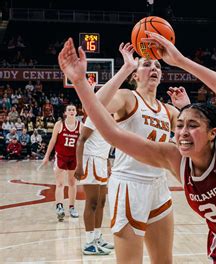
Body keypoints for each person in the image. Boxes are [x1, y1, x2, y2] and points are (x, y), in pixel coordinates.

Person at [59, 34, 216, 263]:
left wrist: (180, 63)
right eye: (180, 126)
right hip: (140, 187)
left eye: (192, 125)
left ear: (212, 133)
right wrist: (80, 82)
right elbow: (112, 133)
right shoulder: (168, 151)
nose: (182, 132)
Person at [78, 42, 183, 263]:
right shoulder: (128, 98)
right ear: (136, 75)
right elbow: (95, 106)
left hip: (159, 185)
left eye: (157, 66)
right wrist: (125, 68)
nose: (154, 68)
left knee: (165, 260)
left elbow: (192, 139)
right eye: (146, 65)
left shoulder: (169, 111)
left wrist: (184, 107)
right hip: (129, 184)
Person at [75, 115, 113, 255]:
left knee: (101, 202)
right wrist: (79, 165)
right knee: (92, 202)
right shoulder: (93, 117)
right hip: (90, 160)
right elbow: (81, 140)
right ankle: (89, 243)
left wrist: (107, 162)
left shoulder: (109, 119)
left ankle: (97, 237)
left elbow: (105, 143)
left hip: (102, 160)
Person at [40, 104, 80, 221]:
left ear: (76, 112)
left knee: (72, 184)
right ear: (65, 112)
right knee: (60, 184)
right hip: (61, 157)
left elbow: (82, 144)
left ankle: (72, 207)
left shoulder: (80, 126)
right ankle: (59, 207)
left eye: (73, 109)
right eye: (69, 110)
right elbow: (52, 141)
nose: (72, 111)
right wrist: (46, 156)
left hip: (73, 157)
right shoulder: (59, 124)